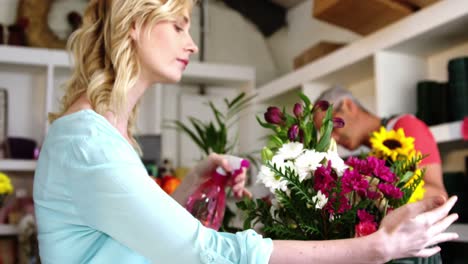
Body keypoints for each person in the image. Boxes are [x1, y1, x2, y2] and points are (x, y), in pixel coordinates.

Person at [33, 1, 459, 263]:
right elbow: (204, 253)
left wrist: (193, 184)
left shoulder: (107, 134)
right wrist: (376, 248)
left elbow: (135, 241)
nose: (192, 43)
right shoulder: (89, 143)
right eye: (179, 25)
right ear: (135, 23)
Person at [313, 86, 447, 200]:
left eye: (333, 127)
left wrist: (376, 191)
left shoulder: (405, 126)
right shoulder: (372, 155)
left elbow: (439, 195)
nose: (333, 139)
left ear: (348, 105)